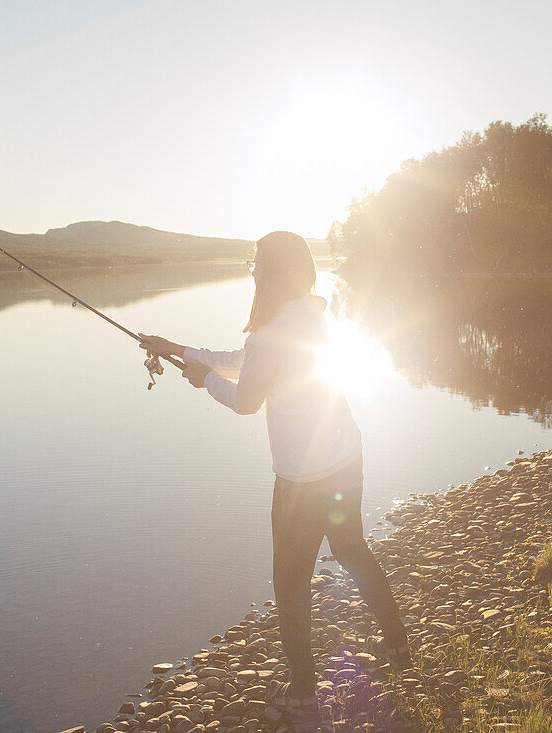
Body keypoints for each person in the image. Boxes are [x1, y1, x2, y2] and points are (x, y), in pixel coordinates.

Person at [139, 231, 410, 731]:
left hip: (301, 482)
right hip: (346, 458)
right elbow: (248, 359)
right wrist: (177, 348)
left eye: (256, 266)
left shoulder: (268, 334)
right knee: (352, 549)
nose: (253, 273)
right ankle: (397, 643)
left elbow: (246, 398)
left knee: (290, 585)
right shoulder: (312, 314)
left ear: (267, 273)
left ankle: (305, 693)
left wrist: (204, 381)